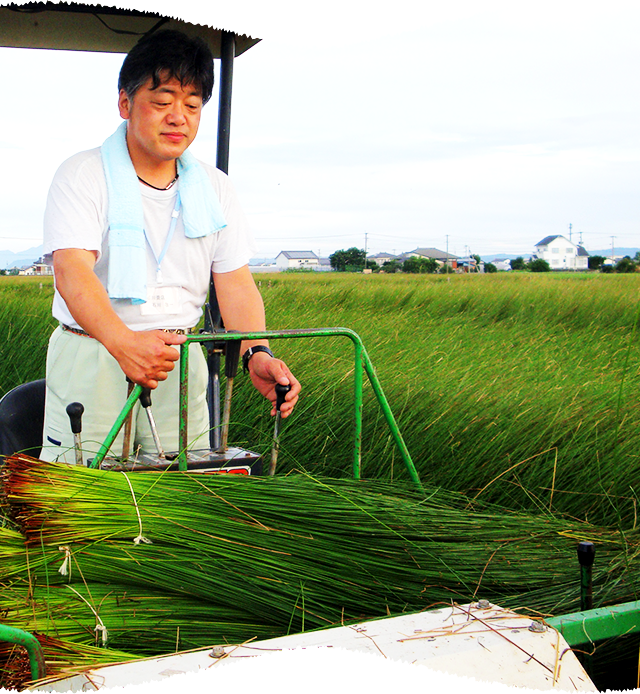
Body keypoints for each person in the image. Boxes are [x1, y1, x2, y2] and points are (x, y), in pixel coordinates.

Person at [41, 29, 300, 464]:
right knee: (84, 489)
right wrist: (123, 342)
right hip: (95, 350)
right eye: (162, 102)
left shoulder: (215, 188)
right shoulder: (83, 174)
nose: (178, 117)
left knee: (186, 488)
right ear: (125, 102)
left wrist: (258, 352)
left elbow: (235, 283)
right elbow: (72, 272)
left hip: (179, 360)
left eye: (193, 105)